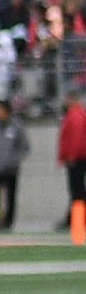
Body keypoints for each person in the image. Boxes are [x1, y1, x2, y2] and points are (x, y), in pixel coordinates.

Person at [0, 98, 30, 231]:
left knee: (10, 197)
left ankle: (8, 222)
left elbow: (25, 147)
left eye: (0, 110)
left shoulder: (17, 127)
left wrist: (13, 160)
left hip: (10, 169)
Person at [59, 94, 86, 224]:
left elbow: (76, 138)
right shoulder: (76, 114)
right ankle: (76, 218)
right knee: (78, 189)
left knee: (77, 190)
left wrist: (71, 155)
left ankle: (77, 219)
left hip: (76, 158)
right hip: (77, 157)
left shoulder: (75, 116)